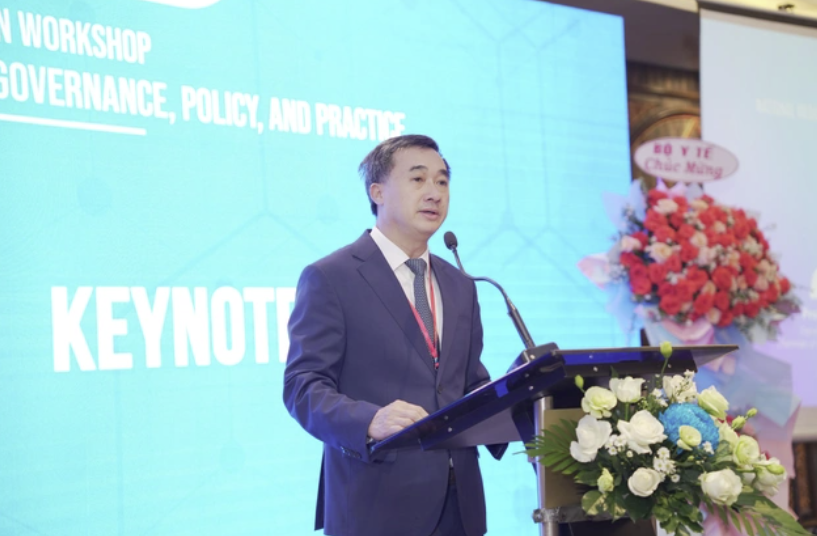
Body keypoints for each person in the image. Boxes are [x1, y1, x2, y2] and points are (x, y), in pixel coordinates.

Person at [283, 134, 498, 536]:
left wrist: (526, 415)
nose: (434, 192)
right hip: (376, 506)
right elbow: (302, 386)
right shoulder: (332, 277)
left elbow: (468, 383)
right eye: (418, 179)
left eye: (442, 181)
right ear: (377, 192)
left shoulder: (461, 284)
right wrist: (370, 420)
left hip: (460, 507)